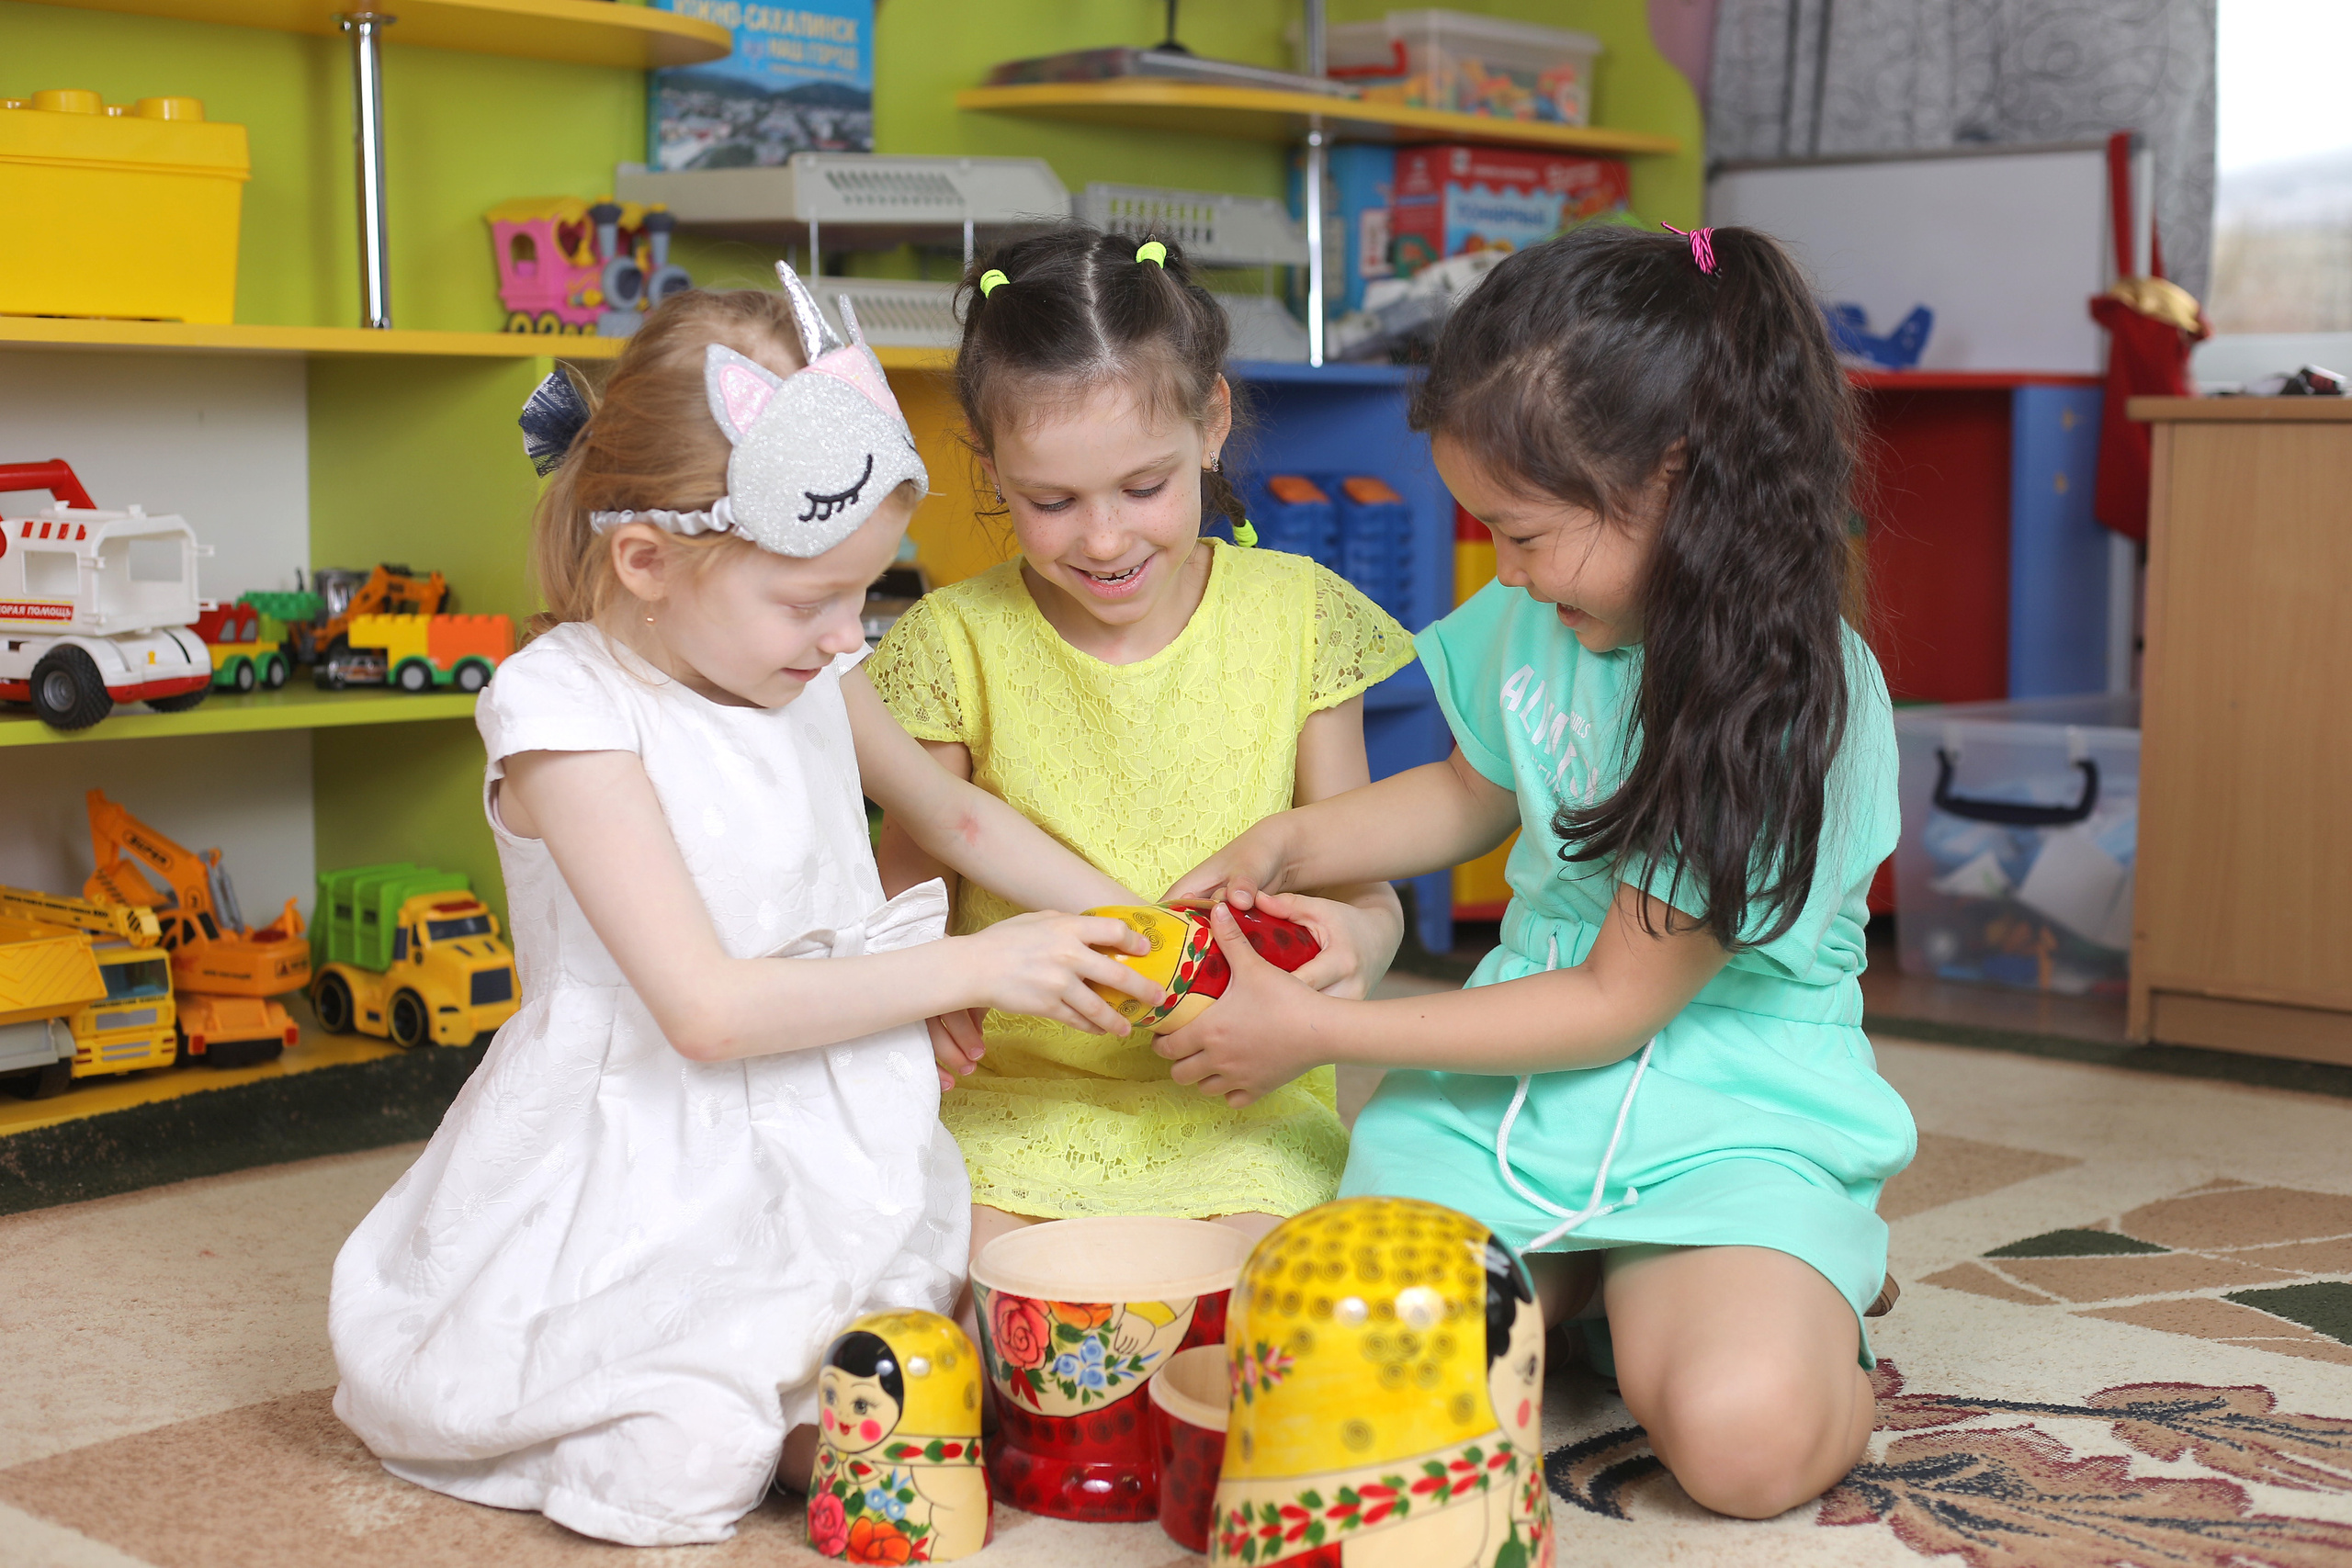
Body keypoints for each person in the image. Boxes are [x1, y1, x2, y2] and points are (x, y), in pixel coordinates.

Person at [329, 269, 1163, 1547]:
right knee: (683, 1453)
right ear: (648, 561)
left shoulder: (811, 667)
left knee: (945, 1348)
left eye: (863, 595)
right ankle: (767, 1426)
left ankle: (816, 1419)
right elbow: (706, 1012)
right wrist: (976, 964)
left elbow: (955, 819)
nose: (845, 638)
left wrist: (1144, 923)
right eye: (810, 601)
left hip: (823, 1119)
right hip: (640, 1154)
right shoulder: (565, 711)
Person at [1164, 224, 1917, 1520]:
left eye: (1520, 532)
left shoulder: (1786, 698)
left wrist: (1322, 1031)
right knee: (1343, 1362)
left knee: (1741, 1446)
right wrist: (1292, 842)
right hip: (1511, 1099)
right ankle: (1596, 1297)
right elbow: (1475, 788)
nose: (1501, 568)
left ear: (1680, 483)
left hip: (1730, 1116)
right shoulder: (1546, 611)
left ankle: (1787, 1286)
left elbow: (1615, 1002)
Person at [866, 226, 1413, 1265]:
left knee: (1243, 1315)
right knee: (984, 1308)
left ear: (1212, 424)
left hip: (1240, 1107)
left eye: (1143, 487)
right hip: (1008, 1106)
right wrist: (926, 994)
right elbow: (902, 908)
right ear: (988, 466)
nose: (1106, 540)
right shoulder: (952, 643)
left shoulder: (1299, 617)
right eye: (1052, 502)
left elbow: (1363, 890)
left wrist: (1360, 949)